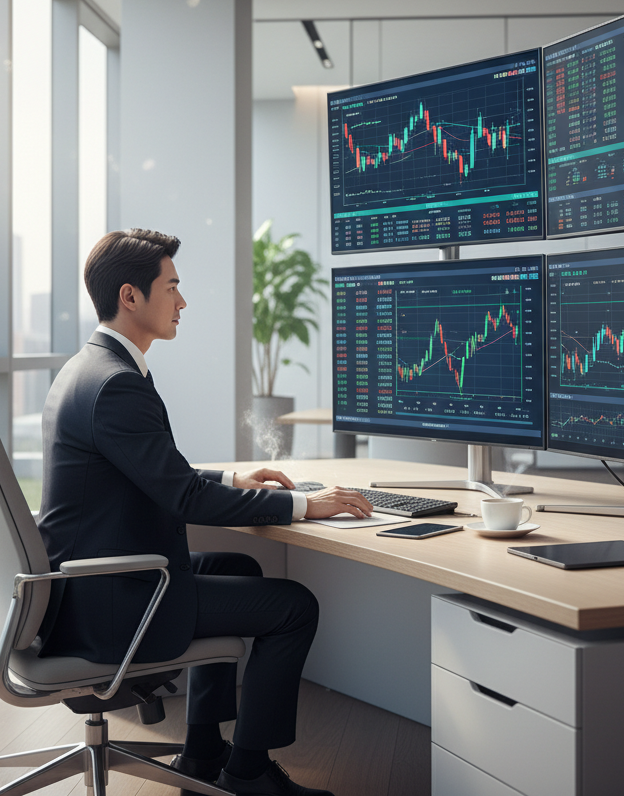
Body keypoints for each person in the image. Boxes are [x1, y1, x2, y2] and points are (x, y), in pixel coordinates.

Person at [36, 229, 374, 796]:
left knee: (238, 566)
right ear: (130, 296)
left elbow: (157, 473)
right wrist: (305, 505)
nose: (183, 301)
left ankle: (202, 750)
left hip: (94, 583)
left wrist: (234, 479)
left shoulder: (89, 368)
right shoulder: (116, 384)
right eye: (172, 287)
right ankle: (249, 773)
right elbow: (185, 499)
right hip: (112, 605)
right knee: (294, 608)